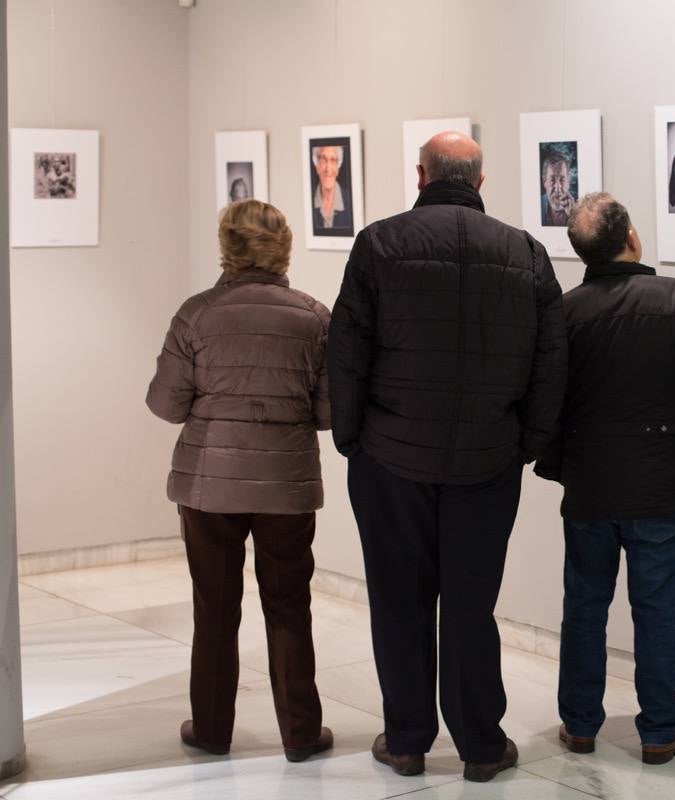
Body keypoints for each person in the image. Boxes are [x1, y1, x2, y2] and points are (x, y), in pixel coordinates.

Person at [328, 131, 567, 782]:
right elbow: (552, 363)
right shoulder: (525, 253)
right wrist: (528, 443)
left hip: (389, 458)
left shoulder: (380, 244)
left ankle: (406, 740)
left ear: (420, 174)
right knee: (470, 604)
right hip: (487, 462)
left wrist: (350, 437)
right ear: (480, 182)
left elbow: (346, 351)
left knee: (399, 600)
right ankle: (482, 745)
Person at [535, 193, 675, 765]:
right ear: (632, 240)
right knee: (656, 609)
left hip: (591, 488)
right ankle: (658, 731)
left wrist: (558, 465)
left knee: (584, 605)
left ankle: (578, 725)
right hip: (663, 488)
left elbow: (544, 403)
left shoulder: (564, 313)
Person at [145, 200, 333, 763]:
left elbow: (165, 403)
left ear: (226, 245)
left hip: (210, 484)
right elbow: (328, 413)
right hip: (286, 483)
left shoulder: (196, 315)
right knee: (289, 606)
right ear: (284, 247)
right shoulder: (315, 318)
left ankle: (211, 729)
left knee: (215, 608)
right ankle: (300, 733)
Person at [312, 144, 352, 230]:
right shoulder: (308, 201)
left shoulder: (350, 200)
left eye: (333, 160)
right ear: (317, 166)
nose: (328, 169)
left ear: (338, 166)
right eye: (323, 160)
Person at [540, 149, 575, 226]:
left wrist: (573, 217)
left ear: (568, 181)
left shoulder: (578, 210)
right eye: (552, 180)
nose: (558, 189)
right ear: (544, 181)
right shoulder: (538, 206)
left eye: (562, 180)